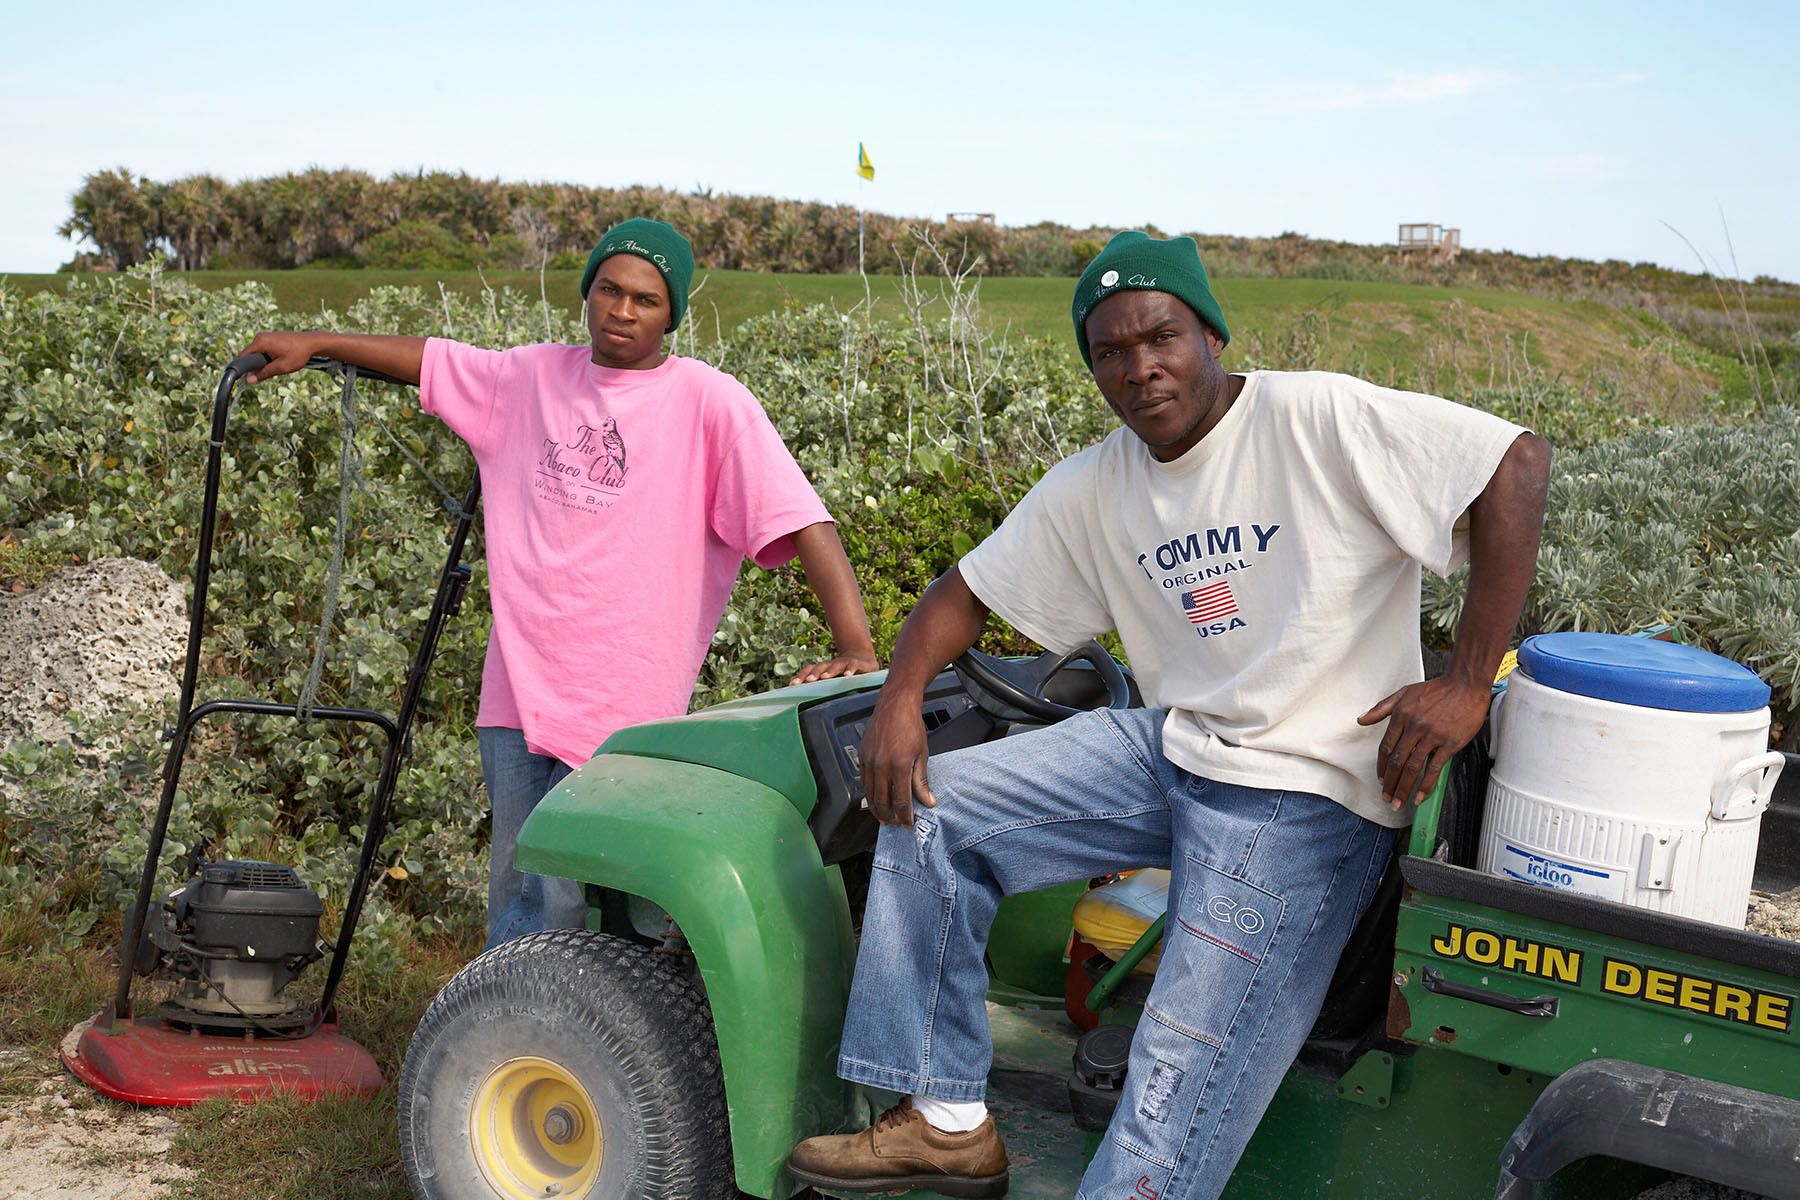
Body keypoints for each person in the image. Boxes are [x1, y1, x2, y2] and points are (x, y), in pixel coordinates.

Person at [787, 231, 1551, 1199]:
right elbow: (963, 594)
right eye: (1110, 350)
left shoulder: (1312, 417)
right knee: (930, 810)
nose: (1140, 367)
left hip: (1311, 791)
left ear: (1210, 333)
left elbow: (1513, 465)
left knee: (1173, 1068)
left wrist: (1467, 682)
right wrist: (897, 701)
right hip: (1179, 749)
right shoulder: (1099, 482)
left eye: (1162, 337)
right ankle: (943, 1120)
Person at [239, 218, 879, 948]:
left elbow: (805, 522)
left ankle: (564, 1042)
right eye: (609, 289)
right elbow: (431, 361)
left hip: (621, 704)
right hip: (514, 697)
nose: (623, 310)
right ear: (588, 293)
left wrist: (855, 645)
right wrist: (316, 345)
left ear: (671, 314)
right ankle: (516, 1040)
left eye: (645, 298)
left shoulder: (710, 403)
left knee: (584, 901)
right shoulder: (530, 378)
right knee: (522, 888)